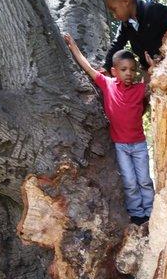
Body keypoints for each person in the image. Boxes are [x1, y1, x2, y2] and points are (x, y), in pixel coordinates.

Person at [63, 33, 154, 226]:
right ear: (114, 71)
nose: (128, 73)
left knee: (144, 180)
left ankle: (151, 211)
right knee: (129, 181)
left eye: (131, 69)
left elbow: (151, 80)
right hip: (120, 145)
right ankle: (137, 214)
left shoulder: (139, 89)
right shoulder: (107, 84)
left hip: (139, 144)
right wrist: (73, 46)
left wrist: (152, 66)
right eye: (123, 69)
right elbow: (87, 68)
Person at [102, 0, 167, 72]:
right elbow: (117, 45)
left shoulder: (153, 10)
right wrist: (106, 67)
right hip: (148, 68)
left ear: (126, 1)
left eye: (114, 10)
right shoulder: (125, 25)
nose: (114, 16)